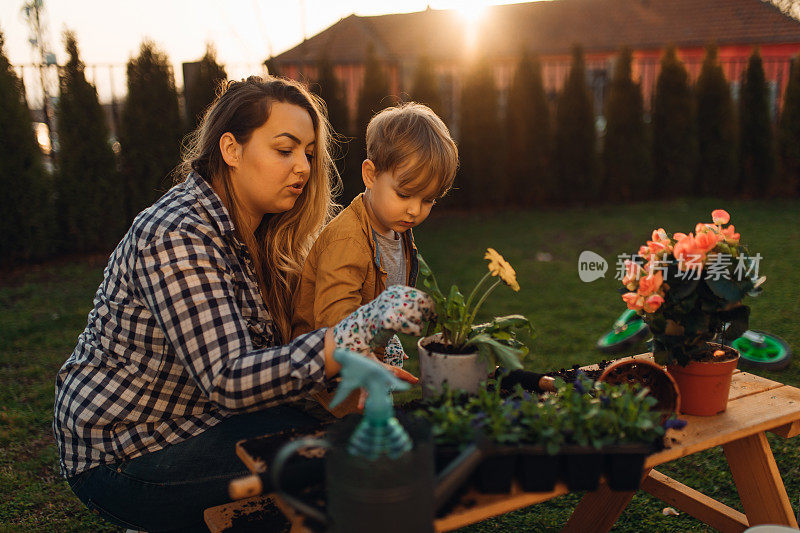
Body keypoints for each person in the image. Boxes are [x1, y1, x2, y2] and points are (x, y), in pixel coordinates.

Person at [53, 76, 433, 532]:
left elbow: (279, 357)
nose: (303, 168)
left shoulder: (265, 233)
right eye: (284, 149)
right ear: (231, 150)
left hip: (206, 420)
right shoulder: (177, 234)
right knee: (333, 473)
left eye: (309, 154)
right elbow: (228, 376)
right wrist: (345, 341)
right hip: (128, 450)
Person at [292, 102, 458, 369]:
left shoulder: (395, 228)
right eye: (404, 194)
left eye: (428, 199)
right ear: (370, 175)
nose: (414, 210)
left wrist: (386, 342)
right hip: (330, 392)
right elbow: (336, 326)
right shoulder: (347, 241)